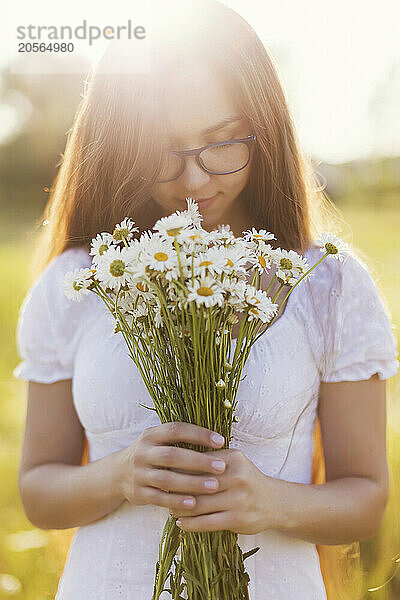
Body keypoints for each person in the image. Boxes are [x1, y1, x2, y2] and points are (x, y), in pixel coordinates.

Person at [13, 1, 399, 599]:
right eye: (162, 151)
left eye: (221, 143)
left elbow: (366, 498)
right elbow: (39, 490)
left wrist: (269, 502)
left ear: (264, 128)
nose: (194, 180)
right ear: (120, 144)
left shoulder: (325, 284)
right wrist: (120, 476)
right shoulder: (78, 282)